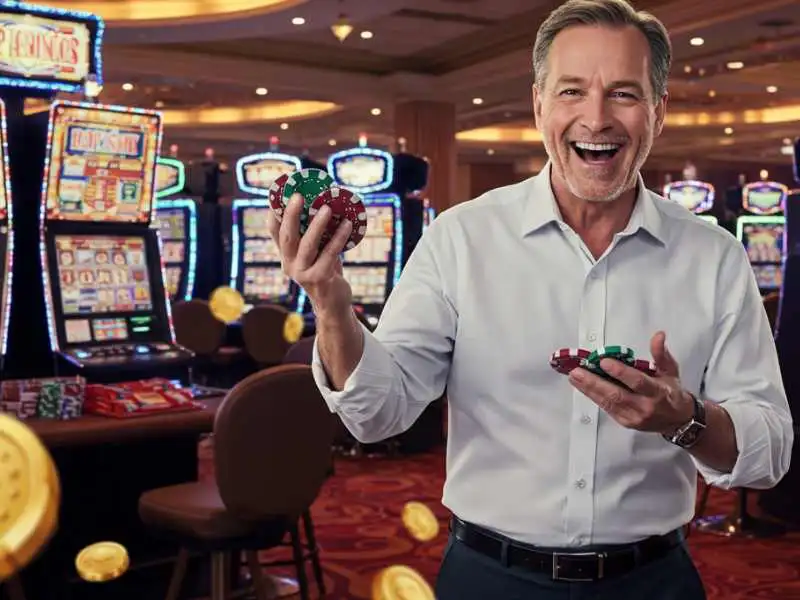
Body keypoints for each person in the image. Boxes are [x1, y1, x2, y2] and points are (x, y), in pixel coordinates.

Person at [267, 0, 793, 597]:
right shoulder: (461, 238)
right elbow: (375, 414)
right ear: (539, 103)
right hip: (489, 576)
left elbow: (770, 450)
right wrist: (331, 300)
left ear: (659, 111)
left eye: (624, 93)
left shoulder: (714, 255)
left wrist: (686, 421)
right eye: (572, 91)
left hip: (652, 581)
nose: (596, 118)